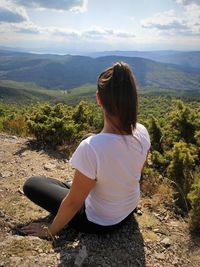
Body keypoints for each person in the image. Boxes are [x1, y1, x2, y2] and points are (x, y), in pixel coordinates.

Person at [21, 62, 151, 238]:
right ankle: (86, 184)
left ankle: (82, 186)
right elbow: (136, 173)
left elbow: (74, 203)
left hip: (100, 222)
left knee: (33, 184)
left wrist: (50, 231)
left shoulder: (92, 148)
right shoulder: (142, 131)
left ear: (98, 98)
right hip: (128, 208)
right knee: (89, 137)